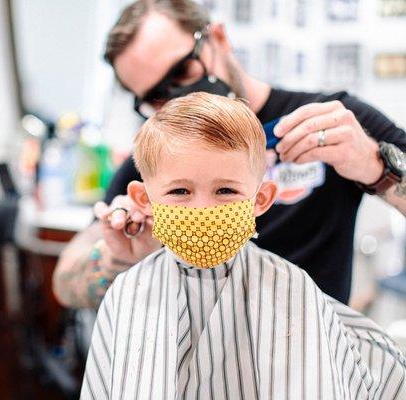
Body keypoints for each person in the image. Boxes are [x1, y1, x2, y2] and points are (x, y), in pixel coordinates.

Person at [53, 0, 406, 309]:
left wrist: (374, 165)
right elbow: (65, 281)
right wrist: (117, 257)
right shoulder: (154, 156)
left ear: (218, 39)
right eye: (156, 95)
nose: (178, 96)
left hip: (309, 359)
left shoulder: (329, 119)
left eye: (182, 71)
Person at [80, 92, 406, 400]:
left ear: (261, 199)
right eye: (180, 191)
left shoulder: (291, 291)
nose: (202, 210)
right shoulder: (128, 292)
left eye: (225, 191)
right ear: (143, 199)